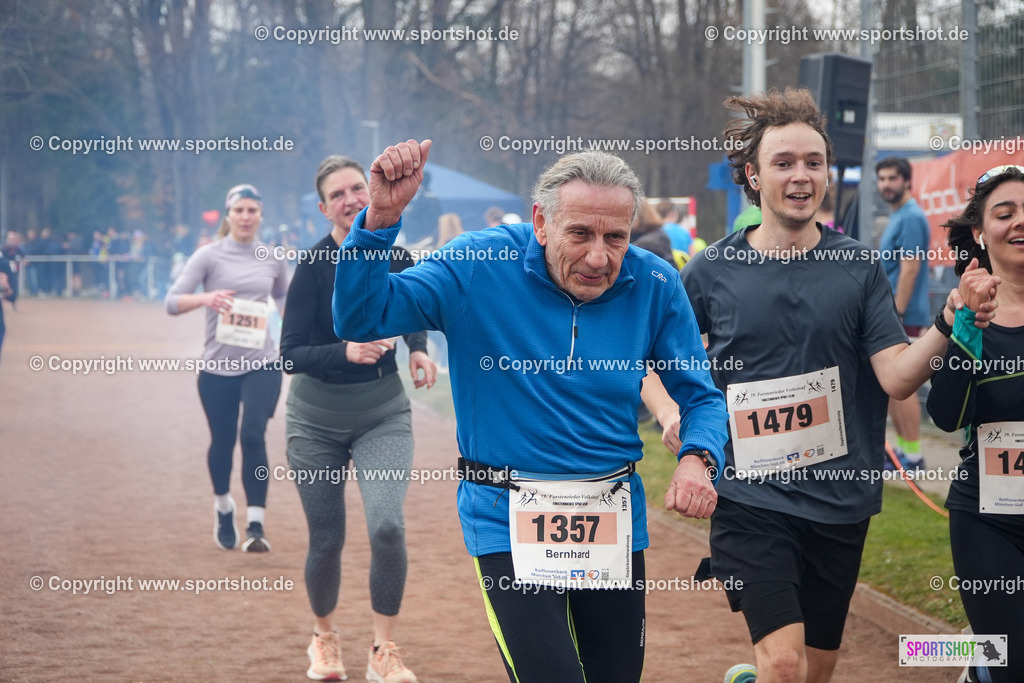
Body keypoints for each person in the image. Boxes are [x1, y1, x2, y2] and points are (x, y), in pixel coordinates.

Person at [332, 138, 729, 683]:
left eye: (616, 237)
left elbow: (700, 394)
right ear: (541, 222)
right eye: (580, 234)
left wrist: (699, 457)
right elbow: (360, 318)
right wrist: (380, 221)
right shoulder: (476, 263)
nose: (599, 257)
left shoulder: (655, 282)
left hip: (609, 515)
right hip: (506, 514)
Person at [641, 87, 988, 683]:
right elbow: (644, 359)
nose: (801, 176)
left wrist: (950, 322)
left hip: (839, 501)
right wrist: (673, 415)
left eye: (813, 163)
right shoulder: (710, 270)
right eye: (783, 163)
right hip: (749, 499)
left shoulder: (857, 268)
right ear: (752, 175)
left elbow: (898, 377)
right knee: (782, 663)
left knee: (814, 672)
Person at [281, 155, 437, 683]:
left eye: (356, 189)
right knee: (327, 536)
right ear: (325, 209)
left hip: (382, 414)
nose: (351, 199)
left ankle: (383, 650)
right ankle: (323, 640)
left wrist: (417, 349)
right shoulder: (312, 265)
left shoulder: (397, 255)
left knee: (388, 526)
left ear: (371, 193)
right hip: (315, 420)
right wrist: (343, 352)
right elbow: (290, 353)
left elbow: (414, 306)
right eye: (338, 194)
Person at [928, 164, 1024, 683]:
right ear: (979, 234)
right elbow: (946, 416)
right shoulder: (966, 312)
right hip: (989, 518)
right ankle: (986, 665)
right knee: (1016, 664)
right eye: (1004, 214)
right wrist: (969, 322)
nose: (1019, 223)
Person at [165, 184, 290, 552]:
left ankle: (255, 525)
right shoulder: (209, 256)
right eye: (240, 210)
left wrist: (287, 321)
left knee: (253, 434)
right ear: (228, 215)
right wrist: (208, 297)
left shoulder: (272, 255)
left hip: (262, 362)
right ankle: (223, 505)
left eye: (253, 210)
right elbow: (172, 302)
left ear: (261, 215)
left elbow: (284, 293)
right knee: (223, 440)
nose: (247, 217)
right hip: (217, 367)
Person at [876, 157, 931, 471]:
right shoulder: (898, 215)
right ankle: (901, 452)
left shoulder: (911, 217)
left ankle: (913, 456)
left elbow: (910, 268)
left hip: (904, 313)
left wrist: (896, 311)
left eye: (892, 178)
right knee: (891, 384)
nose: (886, 184)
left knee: (903, 384)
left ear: (907, 181)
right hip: (894, 312)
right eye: (881, 178)